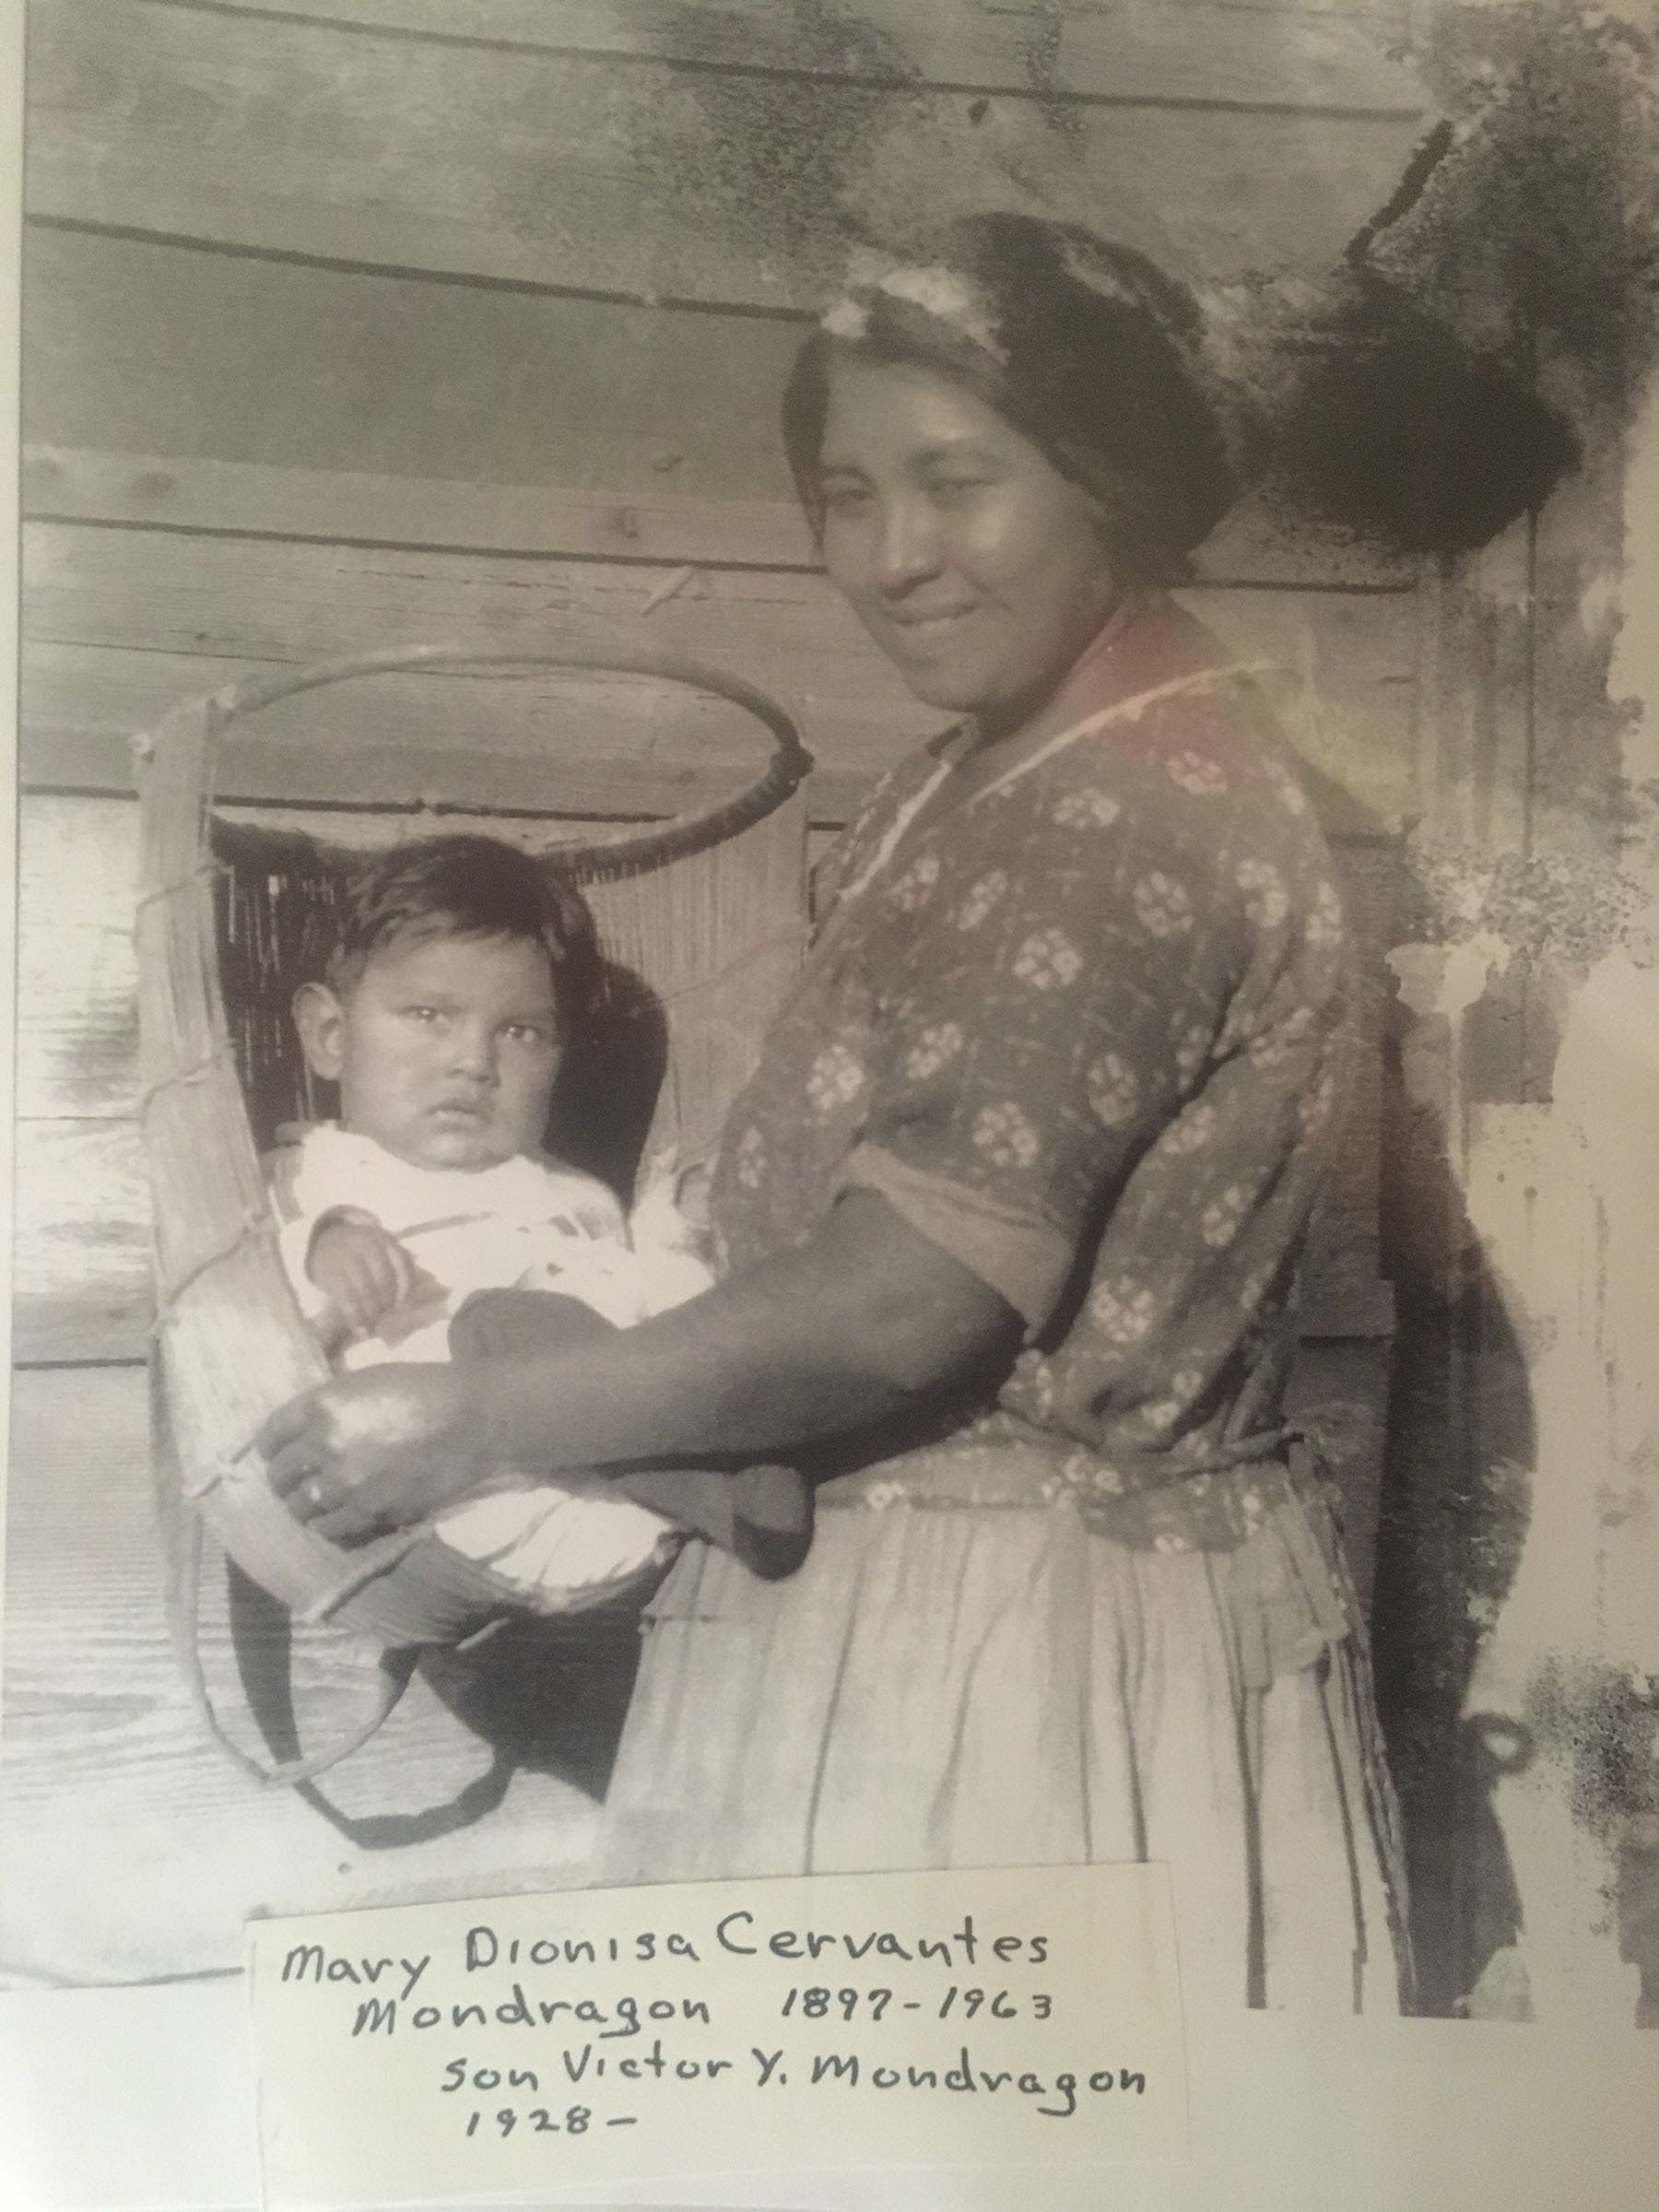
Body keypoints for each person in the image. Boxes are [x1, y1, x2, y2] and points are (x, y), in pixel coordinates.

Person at [260, 214, 1411, 2010]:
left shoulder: (1132, 816)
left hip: (1024, 1658)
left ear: (1107, 477)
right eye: (846, 492)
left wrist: (487, 1412)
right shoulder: (971, 772)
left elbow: (902, 1305)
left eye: (958, 482)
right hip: (898, 1613)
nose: (893, 557)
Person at [270, 831, 809, 1606]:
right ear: (329, 1035)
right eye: (429, 1014)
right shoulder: (321, 1174)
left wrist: (673, 1230)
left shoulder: (573, 1194)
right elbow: (252, 1288)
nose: (473, 1061)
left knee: (684, 1309)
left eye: (519, 1032)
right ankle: (724, 1485)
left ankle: (745, 1458)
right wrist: (327, 1248)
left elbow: (635, 1293)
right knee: (505, 1321)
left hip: (614, 1507)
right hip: (459, 1499)